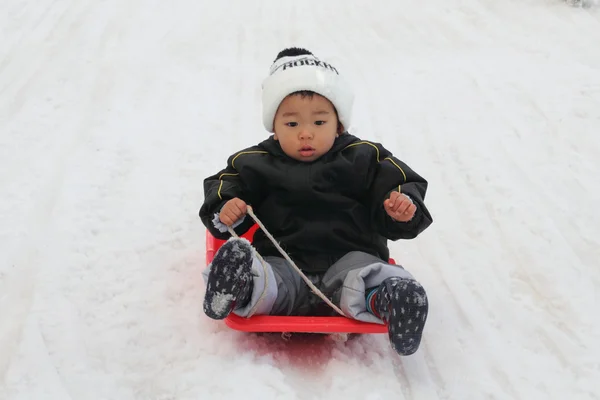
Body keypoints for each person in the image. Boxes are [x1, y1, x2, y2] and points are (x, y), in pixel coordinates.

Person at [199, 47, 433, 356]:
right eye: (292, 124)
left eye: (319, 123)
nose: (305, 134)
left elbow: (401, 182)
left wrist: (402, 207)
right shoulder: (255, 162)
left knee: (366, 278)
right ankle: (238, 285)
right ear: (274, 125)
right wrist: (228, 206)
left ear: (339, 123)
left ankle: (393, 298)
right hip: (283, 263)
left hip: (350, 257)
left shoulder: (365, 157)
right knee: (266, 282)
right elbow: (225, 184)